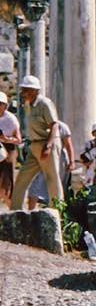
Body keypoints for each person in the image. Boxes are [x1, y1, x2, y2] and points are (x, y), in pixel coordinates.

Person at [9, 76, 62, 210]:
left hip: (47, 144)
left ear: (34, 91)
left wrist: (49, 146)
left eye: (25, 90)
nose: (22, 93)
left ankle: (59, 212)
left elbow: (54, 125)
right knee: (22, 178)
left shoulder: (45, 103)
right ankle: (15, 212)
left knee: (52, 179)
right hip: (34, 146)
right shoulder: (29, 105)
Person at [27, 121, 73, 207]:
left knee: (57, 187)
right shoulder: (38, 125)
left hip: (58, 161)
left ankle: (58, 211)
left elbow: (68, 145)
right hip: (40, 160)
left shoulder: (62, 126)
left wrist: (71, 162)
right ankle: (30, 214)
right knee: (33, 189)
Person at [0, 91, 22, 207]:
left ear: (5, 105)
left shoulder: (11, 119)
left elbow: (18, 139)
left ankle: (12, 208)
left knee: (6, 184)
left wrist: (6, 138)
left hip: (8, 149)